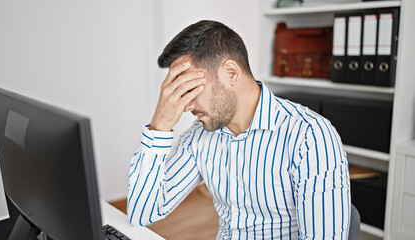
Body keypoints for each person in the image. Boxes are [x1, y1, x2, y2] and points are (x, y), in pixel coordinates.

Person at [127, 20, 351, 239]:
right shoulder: (199, 136)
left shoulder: (310, 137)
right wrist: (160, 126)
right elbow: (142, 213)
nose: (185, 106)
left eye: (190, 89)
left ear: (231, 73)